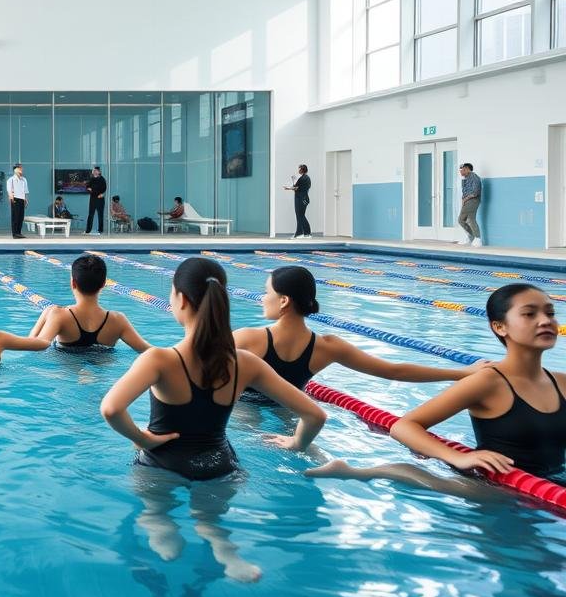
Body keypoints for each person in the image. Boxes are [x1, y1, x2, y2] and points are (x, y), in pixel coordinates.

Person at [99, 257, 326, 581]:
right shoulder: (245, 363)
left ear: (181, 300)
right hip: (218, 467)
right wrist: (296, 442)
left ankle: (162, 533)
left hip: (161, 465)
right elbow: (315, 414)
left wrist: (142, 439)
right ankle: (225, 550)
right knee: (211, 521)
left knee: (155, 511)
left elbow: (110, 409)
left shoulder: (159, 359)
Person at [308, 283, 566, 494]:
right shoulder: (488, 382)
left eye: (550, 313)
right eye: (530, 314)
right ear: (500, 327)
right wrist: (456, 457)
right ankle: (358, 472)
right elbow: (404, 426)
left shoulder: (561, 381)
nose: (545, 321)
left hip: (548, 488)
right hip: (495, 489)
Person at [233, 266, 477, 405]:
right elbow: (394, 371)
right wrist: (462, 373)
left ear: (284, 300)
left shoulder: (247, 339)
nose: (262, 298)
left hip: (243, 414)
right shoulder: (327, 347)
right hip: (290, 413)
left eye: (266, 292)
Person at [29, 255, 151, 352]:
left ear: (73, 283)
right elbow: (147, 350)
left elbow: (36, 344)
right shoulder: (117, 320)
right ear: (104, 284)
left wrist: (46, 314)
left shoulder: (59, 315)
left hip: (69, 372)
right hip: (102, 374)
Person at [458, 163, 483, 247]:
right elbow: (464, 192)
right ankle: (470, 236)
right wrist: (463, 200)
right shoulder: (465, 179)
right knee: (461, 220)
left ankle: (478, 239)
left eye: (463, 170)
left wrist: (465, 199)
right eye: (460, 170)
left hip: (473, 201)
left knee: (470, 219)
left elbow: (475, 192)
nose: (461, 172)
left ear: (468, 169)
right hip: (467, 201)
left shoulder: (474, 178)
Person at [284, 165, 311, 239]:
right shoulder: (304, 178)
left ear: (302, 170)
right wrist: (293, 181)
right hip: (301, 198)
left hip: (301, 199)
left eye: (299, 169)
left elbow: (296, 188)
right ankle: (301, 233)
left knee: (300, 215)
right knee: (300, 216)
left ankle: (305, 233)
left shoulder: (304, 178)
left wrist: (288, 188)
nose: (298, 171)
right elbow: (297, 187)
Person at [7, 165, 29, 239]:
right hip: (15, 198)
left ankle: (19, 232)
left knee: (21, 217)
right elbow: (9, 190)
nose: (21, 170)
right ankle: (15, 233)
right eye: (19, 168)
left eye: (21, 168)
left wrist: (26, 199)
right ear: (15, 170)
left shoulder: (24, 179)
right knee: (15, 217)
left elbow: (25, 191)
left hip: (22, 199)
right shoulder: (11, 179)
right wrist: (11, 197)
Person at [85, 166, 107, 234]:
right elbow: (88, 187)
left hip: (100, 199)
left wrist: (93, 190)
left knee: (100, 215)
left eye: (96, 170)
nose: (94, 171)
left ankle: (100, 230)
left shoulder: (102, 179)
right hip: (93, 199)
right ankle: (88, 230)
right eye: (93, 170)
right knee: (90, 215)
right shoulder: (91, 179)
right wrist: (92, 190)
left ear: (99, 172)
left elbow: (103, 189)